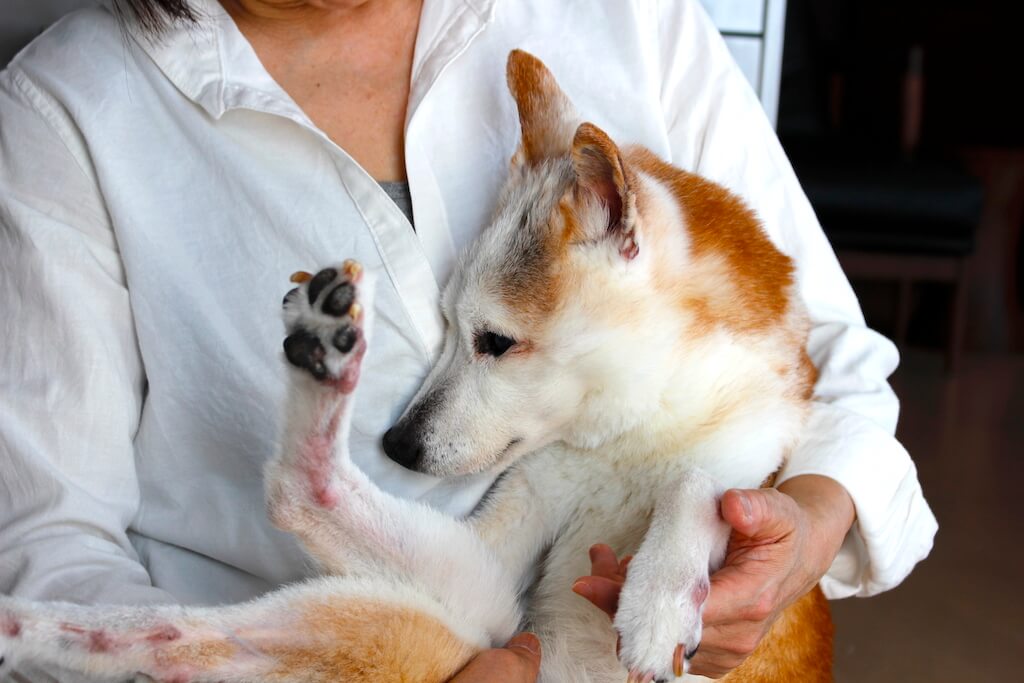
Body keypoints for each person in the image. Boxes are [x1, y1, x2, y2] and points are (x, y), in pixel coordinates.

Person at [0, 0, 937, 680]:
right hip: (318, 636)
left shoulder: (630, 20)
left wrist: (805, 528)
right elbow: (46, 544)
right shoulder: (69, 111)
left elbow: (834, 368)